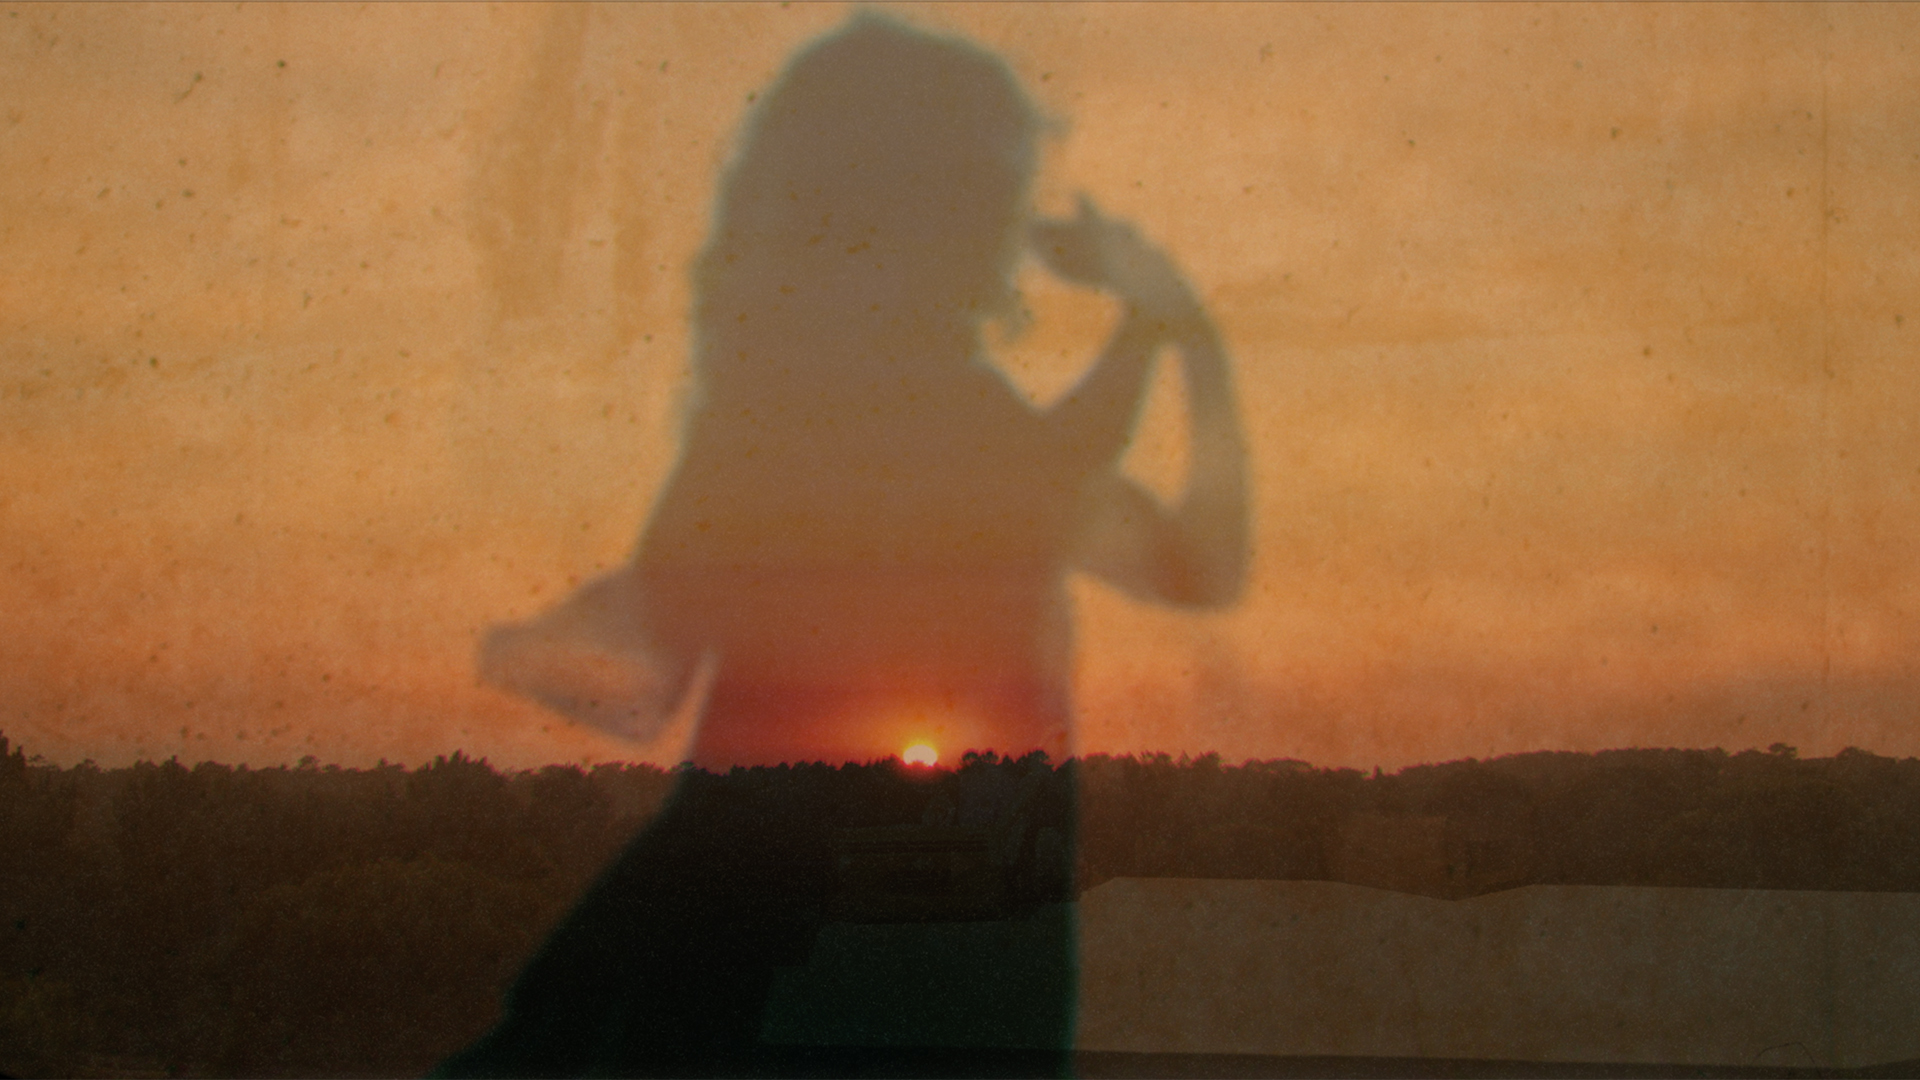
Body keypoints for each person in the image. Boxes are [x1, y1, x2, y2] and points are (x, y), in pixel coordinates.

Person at [445, 14, 1247, 1076]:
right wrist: (1163, 315)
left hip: (788, 972)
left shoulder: (794, 423)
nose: (1009, 225)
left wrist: (1160, 321)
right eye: (993, 191)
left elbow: (646, 666)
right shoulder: (886, 426)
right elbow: (1152, 530)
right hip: (847, 982)